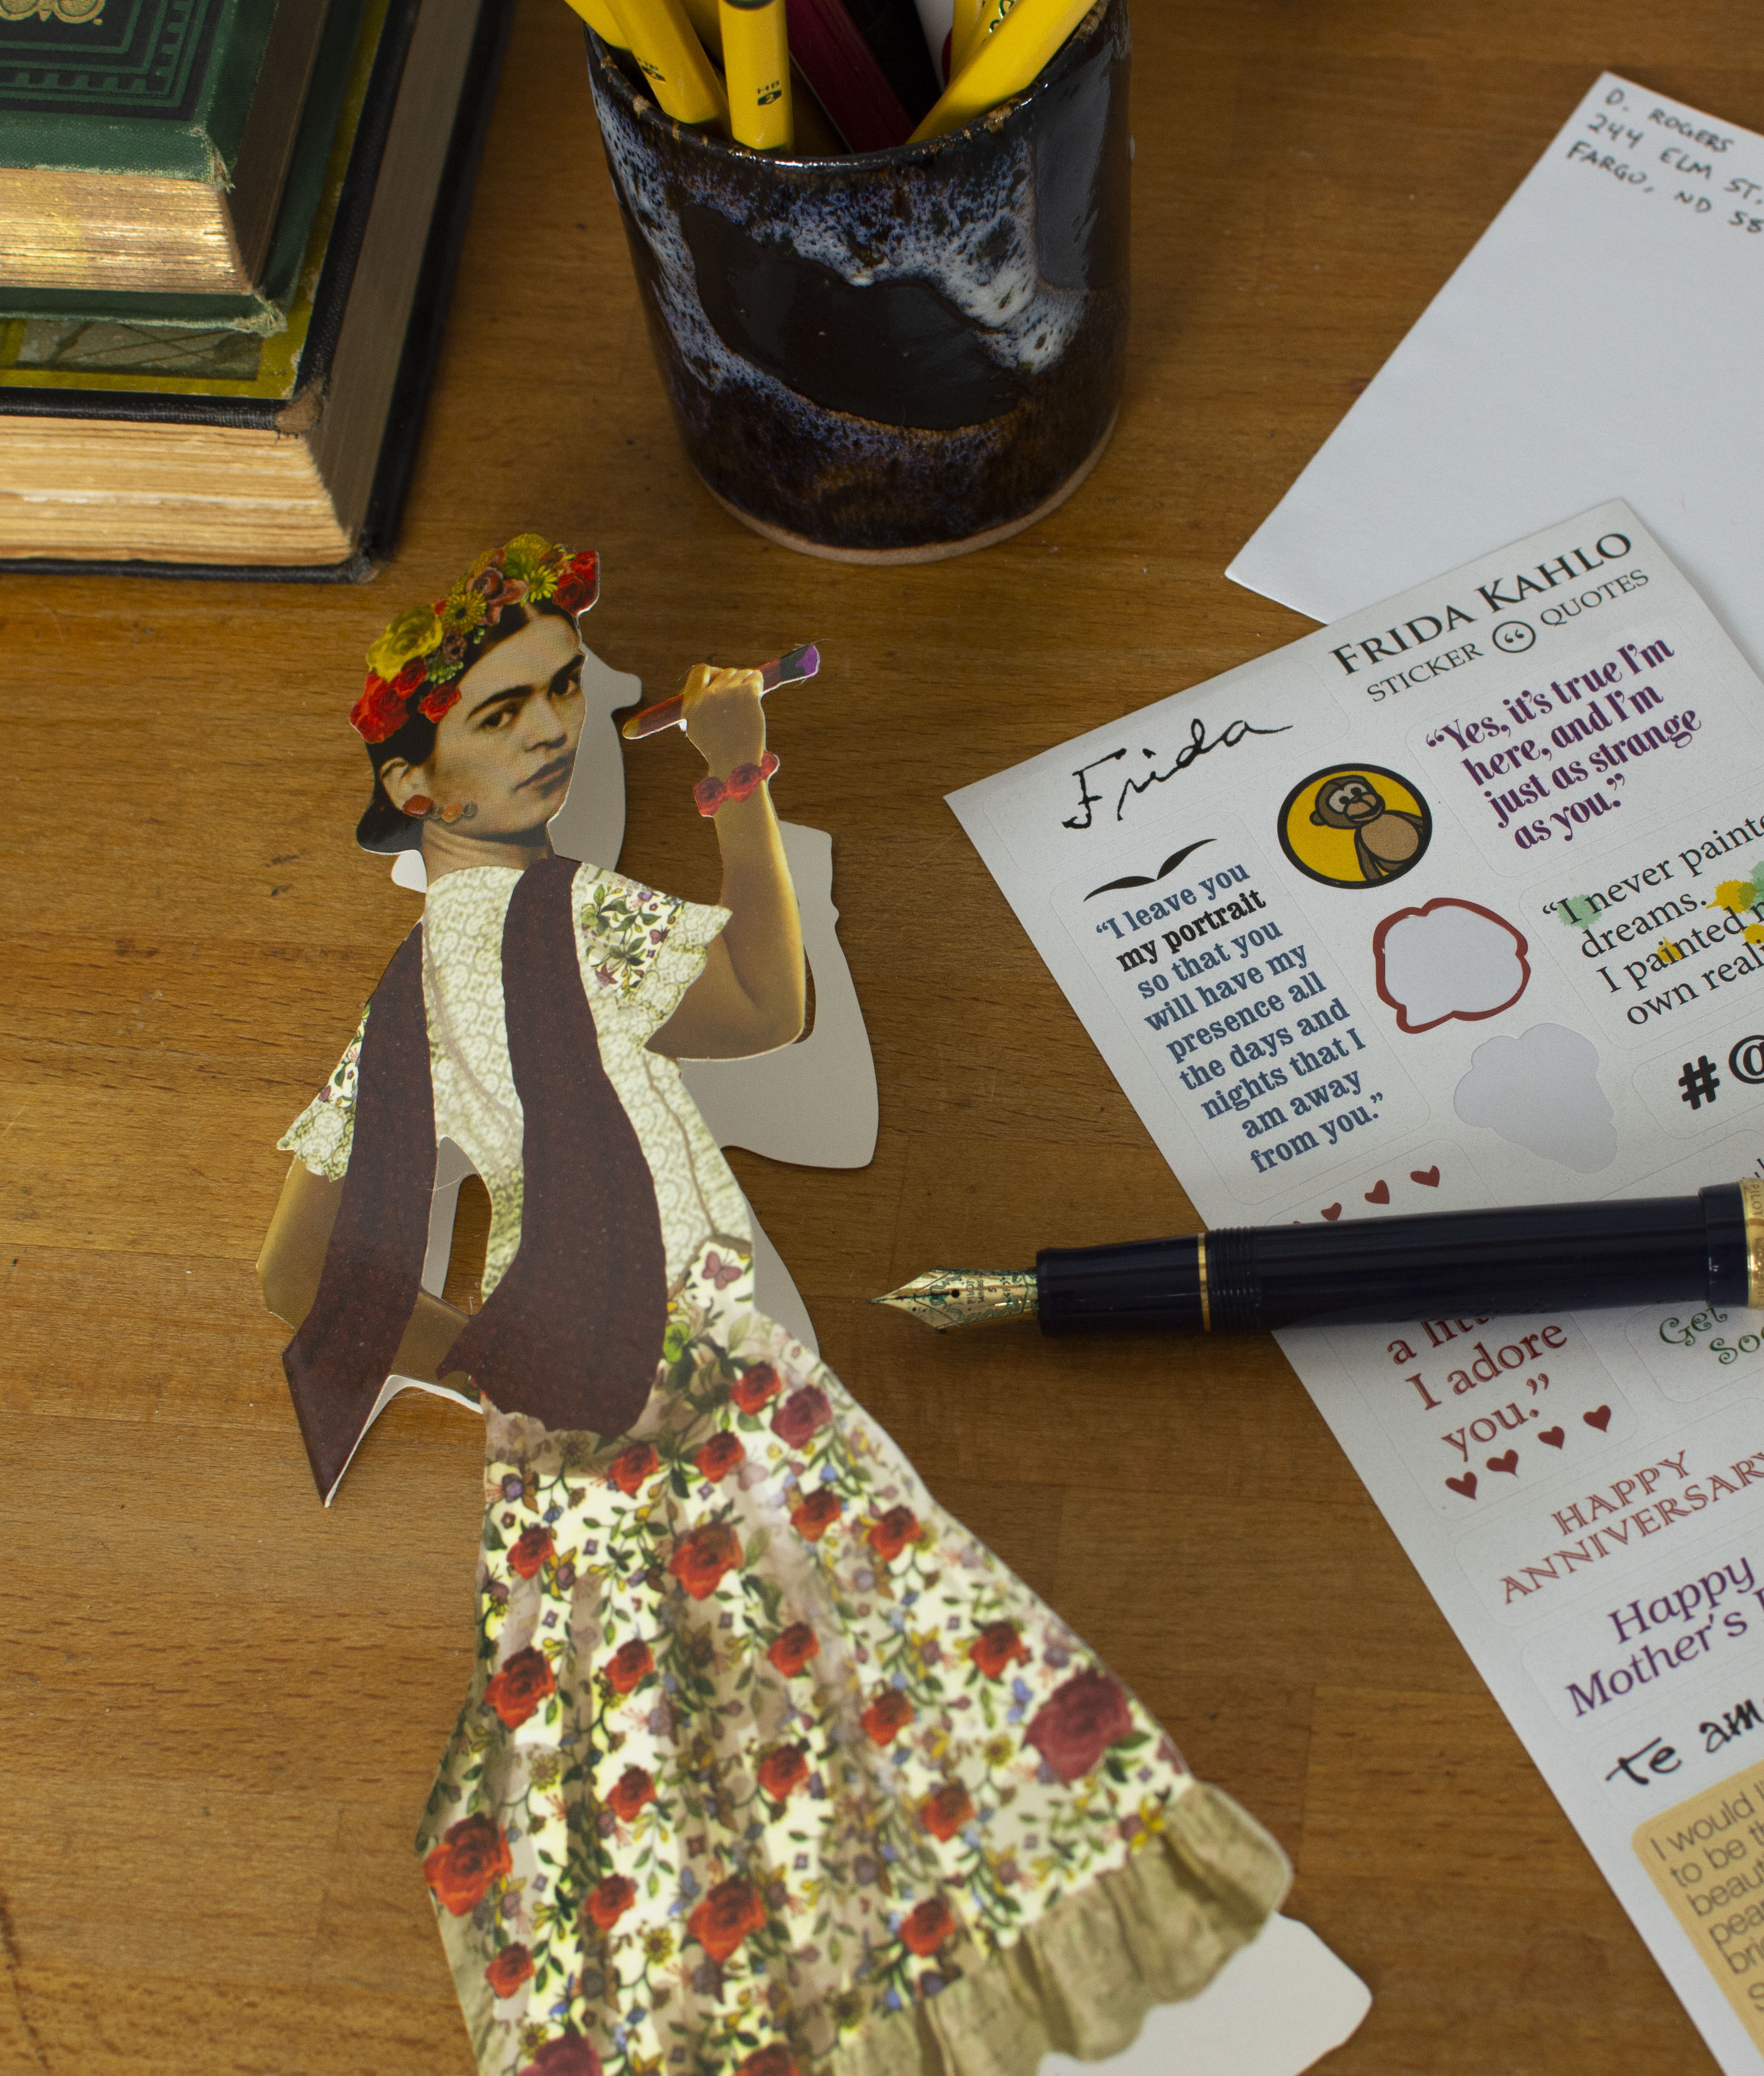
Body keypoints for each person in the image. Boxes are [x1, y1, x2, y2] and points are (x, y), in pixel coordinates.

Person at [256, 539, 1289, 2076]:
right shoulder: (562, 918)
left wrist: (498, 1370)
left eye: (560, 693)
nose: (551, 730)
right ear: (417, 785)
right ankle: (935, 2003)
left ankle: (740, 2026)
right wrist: (738, 779)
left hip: (580, 1386)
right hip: (682, 1348)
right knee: (868, 1665)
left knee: (668, 1737)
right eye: (501, 713)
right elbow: (767, 1004)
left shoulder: (409, 988)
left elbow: (298, 1279)